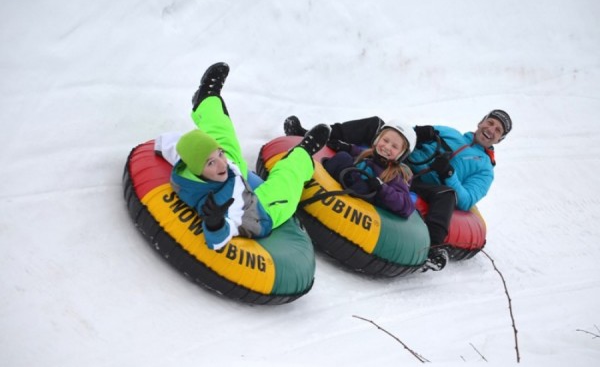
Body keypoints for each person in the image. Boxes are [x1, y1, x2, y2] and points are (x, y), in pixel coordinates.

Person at [283, 109, 512, 271]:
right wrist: (419, 133)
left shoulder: (484, 170)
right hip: (399, 160)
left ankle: (430, 247)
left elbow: (466, 199)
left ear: (500, 139)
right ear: (481, 122)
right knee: (376, 124)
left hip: (425, 184)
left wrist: (449, 175)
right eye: (490, 123)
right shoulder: (449, 132)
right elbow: (403, 137)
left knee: (447, 195)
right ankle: (314, 137)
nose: (491, 129)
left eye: (497, 129)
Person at [155, 62, 331, 250]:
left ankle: (206, 100)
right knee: (287, 183)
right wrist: (215, 224)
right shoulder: (219, 204)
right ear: (198, 170)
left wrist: (161, 145)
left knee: (222, 137)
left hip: (233, 175)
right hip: (257, 211)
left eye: (218, 156)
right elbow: (217, 240)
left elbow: (175, 147)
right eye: (211, 163)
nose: (220, 164)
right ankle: (303, 153)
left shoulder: (198, 165)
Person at [321, 120, 416, 218]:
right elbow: (359, 152)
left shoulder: (396, 175)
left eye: (394, 146)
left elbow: (406, 206)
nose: (387, 147)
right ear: (377, 139)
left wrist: (382, 187)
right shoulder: (370, 154)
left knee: (364, 186)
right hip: (348, 180)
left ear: (401, 154)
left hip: (358, 202)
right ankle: (316, 182)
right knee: (343, 157)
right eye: (385, 140)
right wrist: (347, 147)